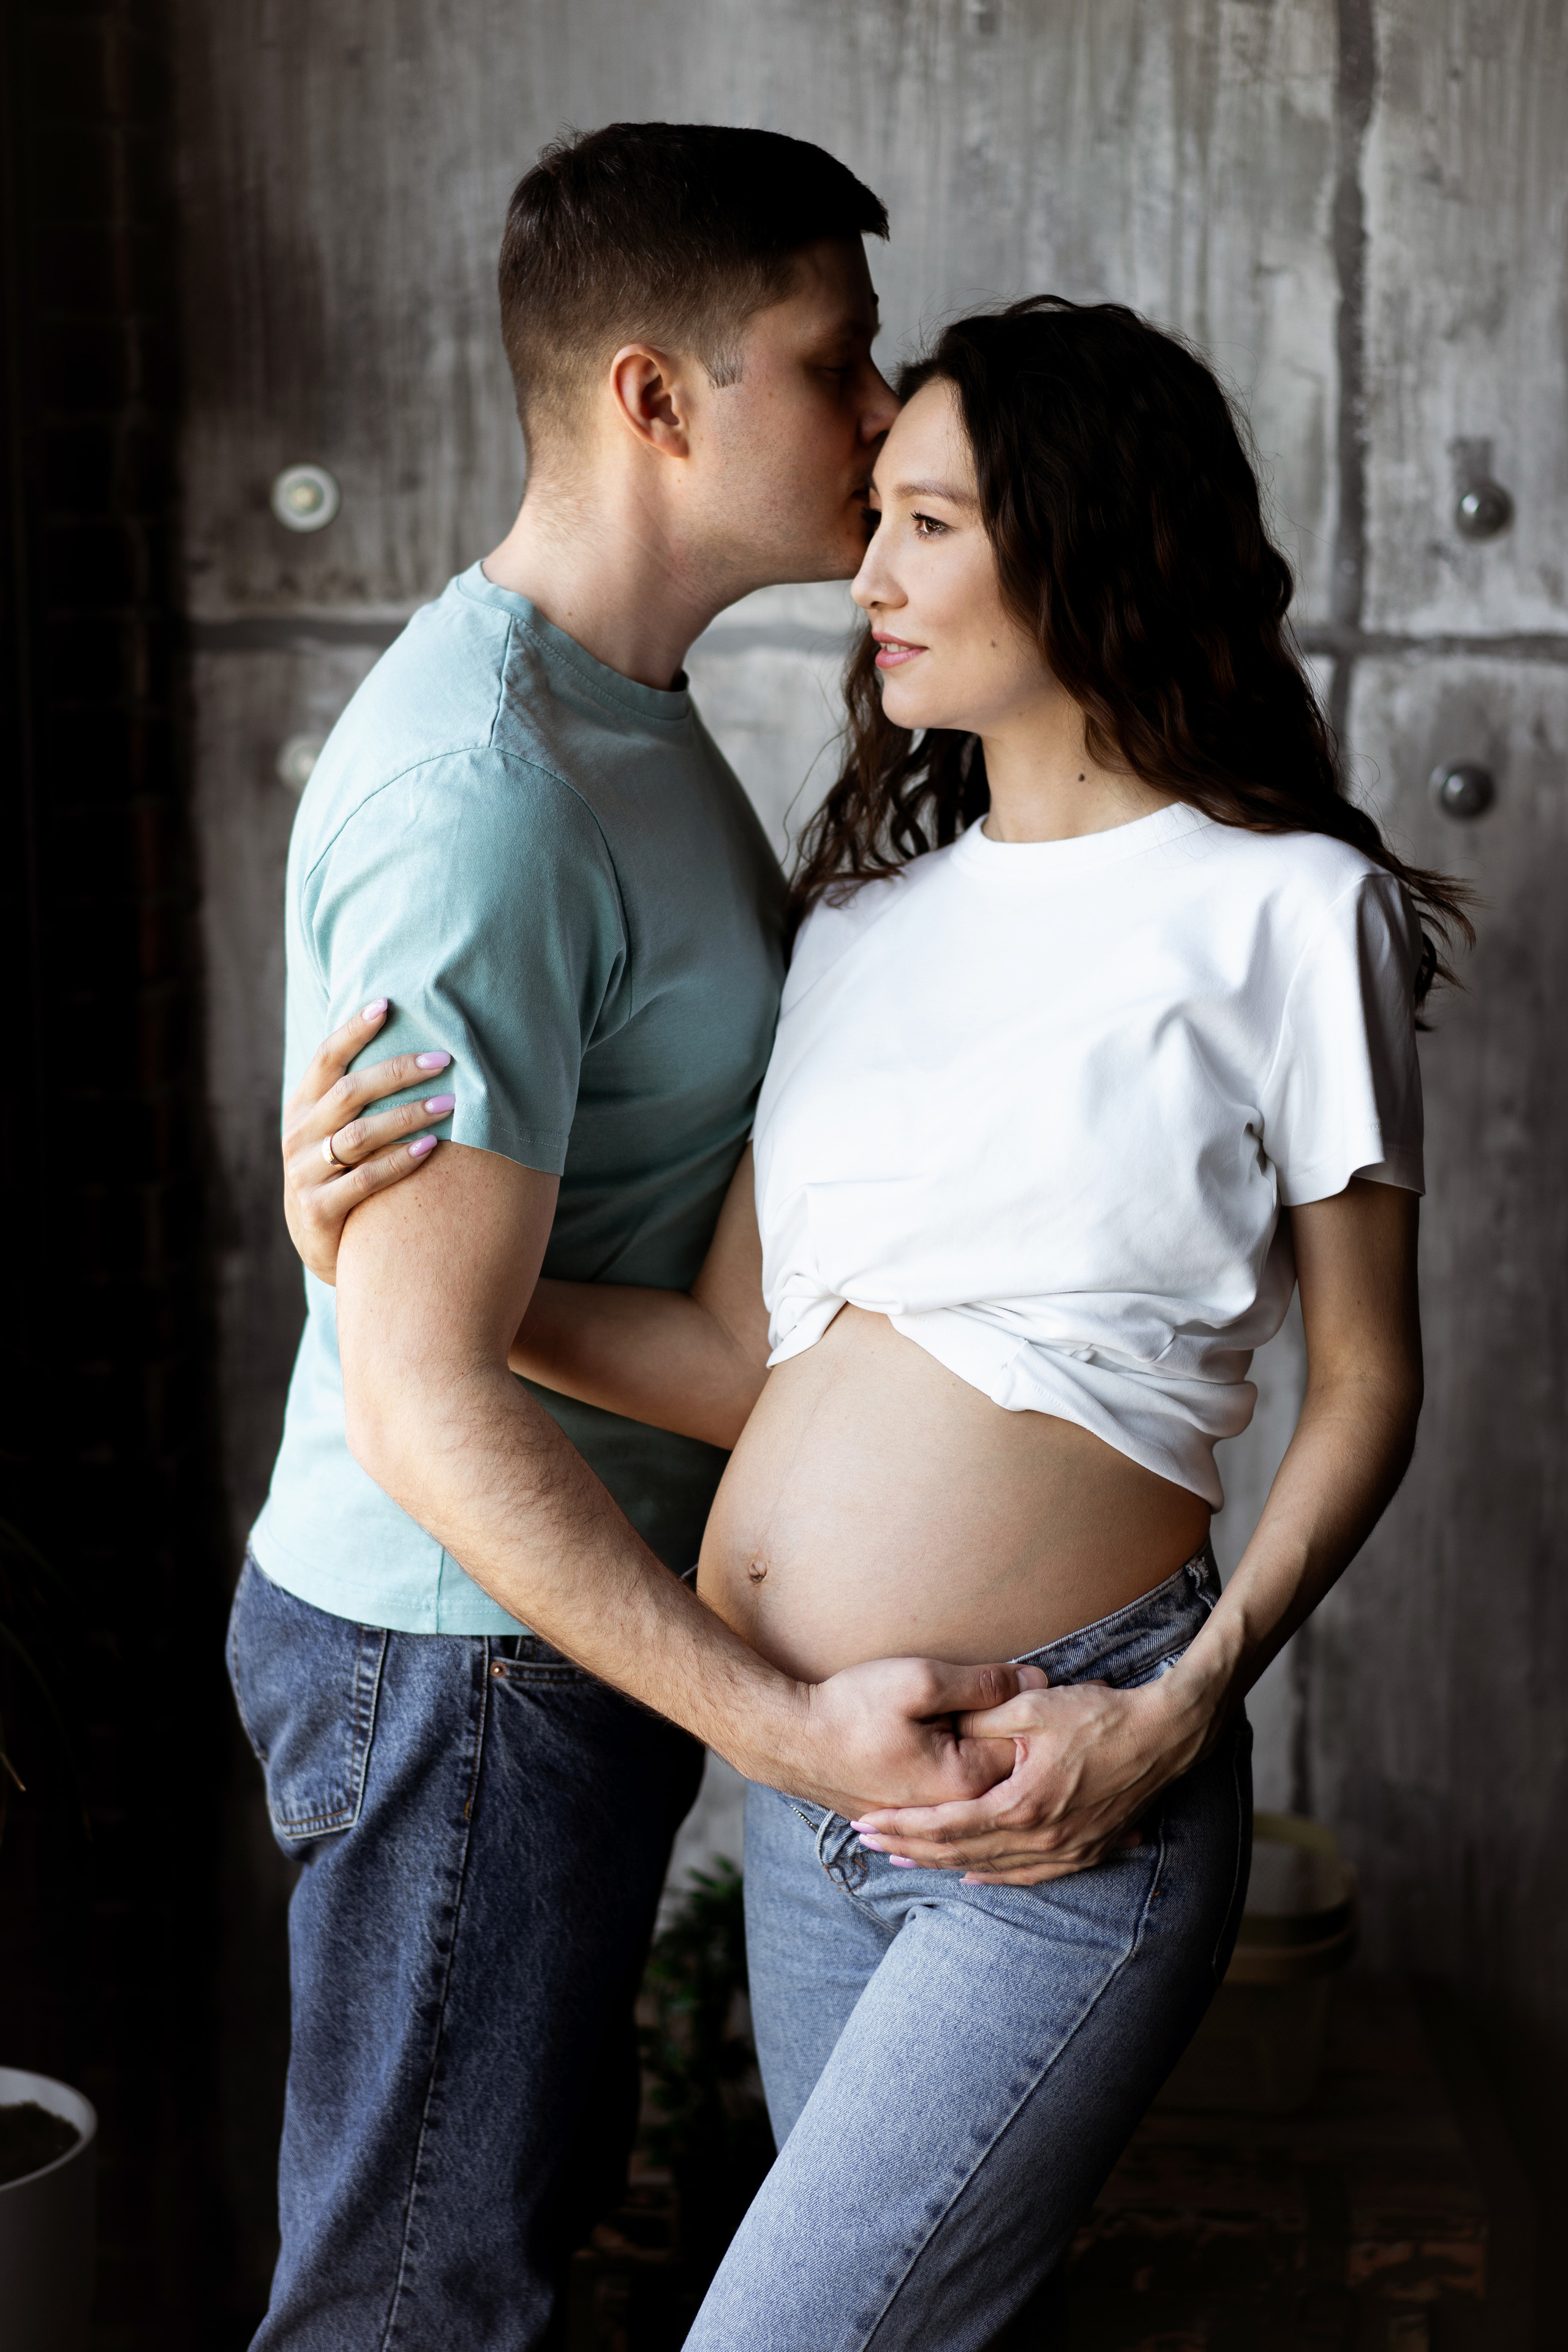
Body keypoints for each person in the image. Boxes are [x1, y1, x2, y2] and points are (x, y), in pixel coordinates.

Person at [288, 296, 1471, 2346]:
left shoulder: (1288, 914)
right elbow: (735, 1358)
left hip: (1054, 1779)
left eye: (930, 522)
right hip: (810, 1789)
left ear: (1087, 545)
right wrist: (383, 1265)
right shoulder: (856, 924)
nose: (870, 571)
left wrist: (1182, 1702)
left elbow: (1369, 1380)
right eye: (882, 514)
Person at [233, 124, 1042, 2352]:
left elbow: (488, 1259)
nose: (883, 414)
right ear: (655, 399)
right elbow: (420, 1392)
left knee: (480, 2264)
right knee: (411, 2312)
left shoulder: (624, 721)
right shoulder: (486, 792)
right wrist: (795, 1733)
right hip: (462, 1660)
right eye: (834, 358)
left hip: (531, 1648)